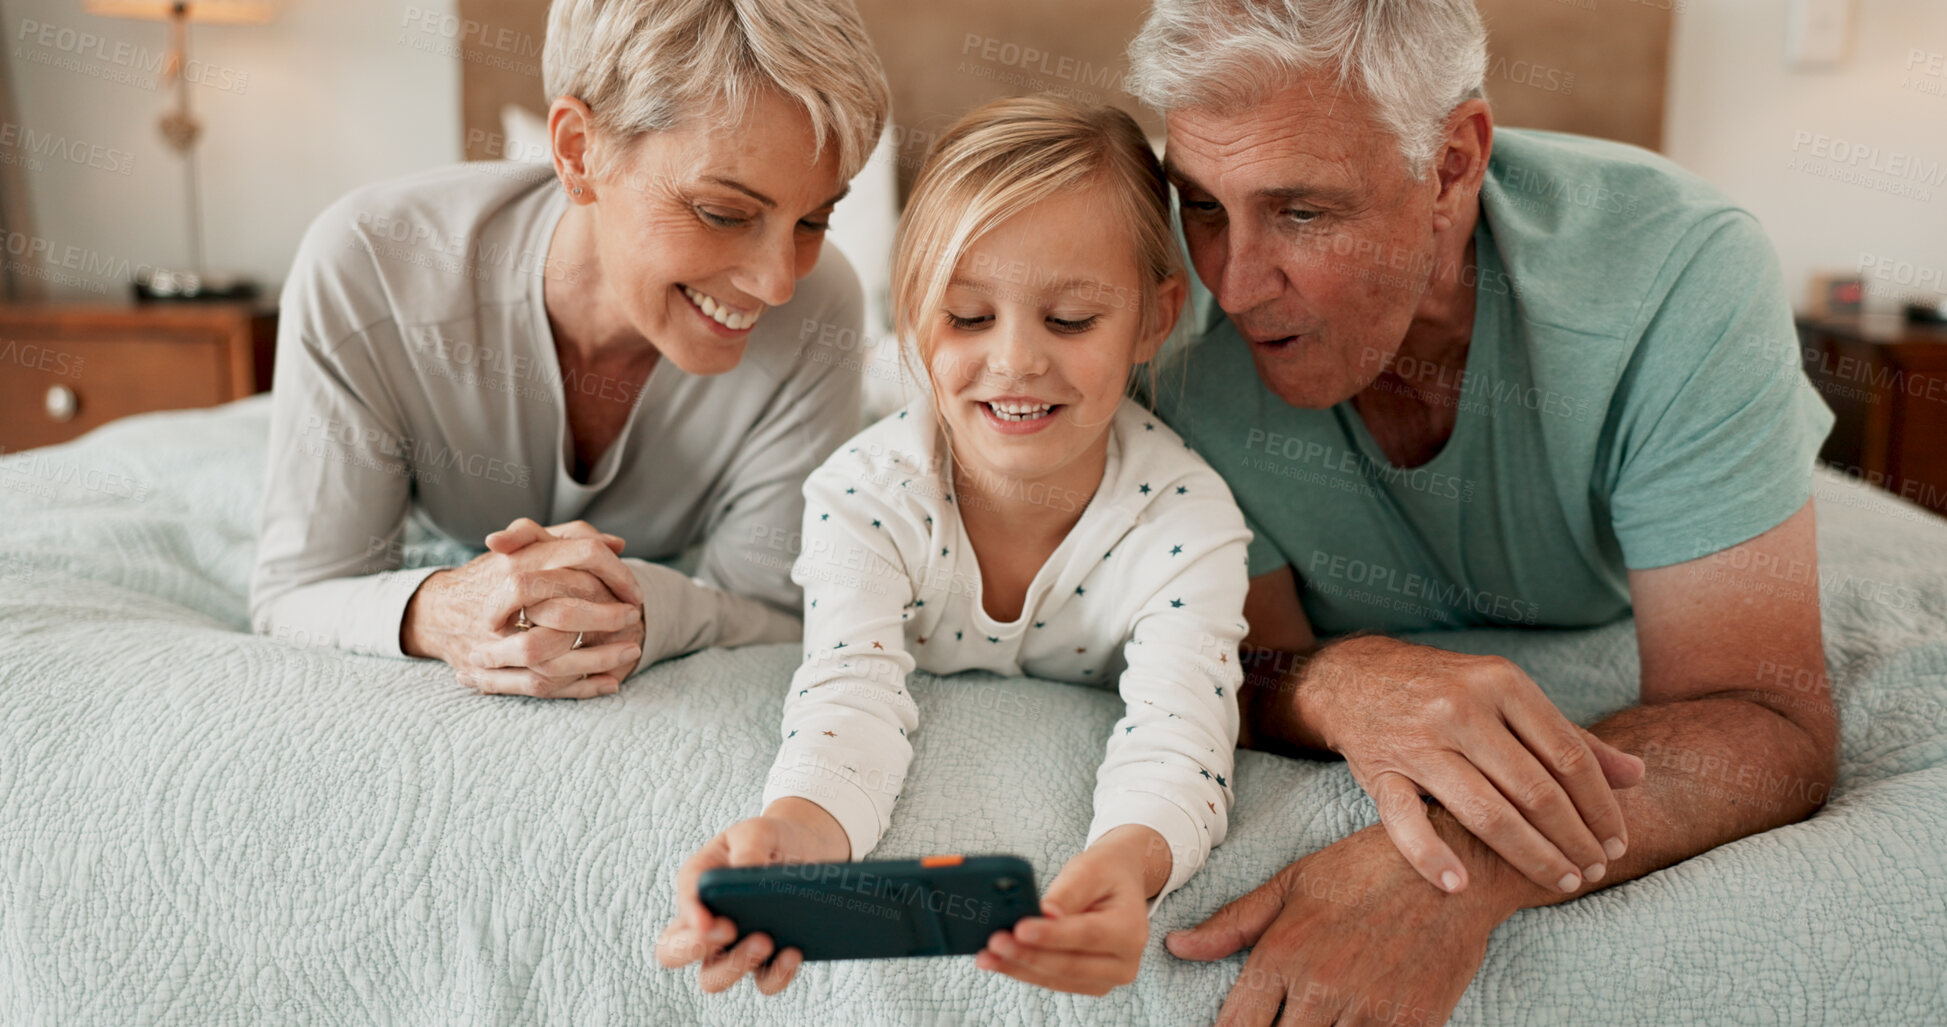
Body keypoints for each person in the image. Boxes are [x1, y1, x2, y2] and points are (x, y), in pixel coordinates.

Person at [1124, 0, 1840, 1023]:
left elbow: (1765, 716)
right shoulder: (1148, 329)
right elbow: (1227, 662)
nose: (1233, 282)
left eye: (1304, 212)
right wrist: (1335, 680)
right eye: (1200, 203)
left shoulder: (1676, 270)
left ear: (1454, 165)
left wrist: (1464, 858)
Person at [656, 96, 1253, 998]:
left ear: (1151, 318)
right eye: (968, 318)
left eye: (1070, 320)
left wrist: (1130, 862)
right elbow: (847, 693)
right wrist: (797, 831)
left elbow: (1181, 735)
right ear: (912, 317)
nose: (1014, 361)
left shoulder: (1186, 520)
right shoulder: (861, 496)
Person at [248, 0, 890, 699]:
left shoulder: (823, 308)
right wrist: (441, 609)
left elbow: (773, 608)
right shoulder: (369, 264)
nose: (775, 283)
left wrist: (639, 607)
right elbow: (297, 592)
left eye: (815, 219)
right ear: (578, 151)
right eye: (723, 212)